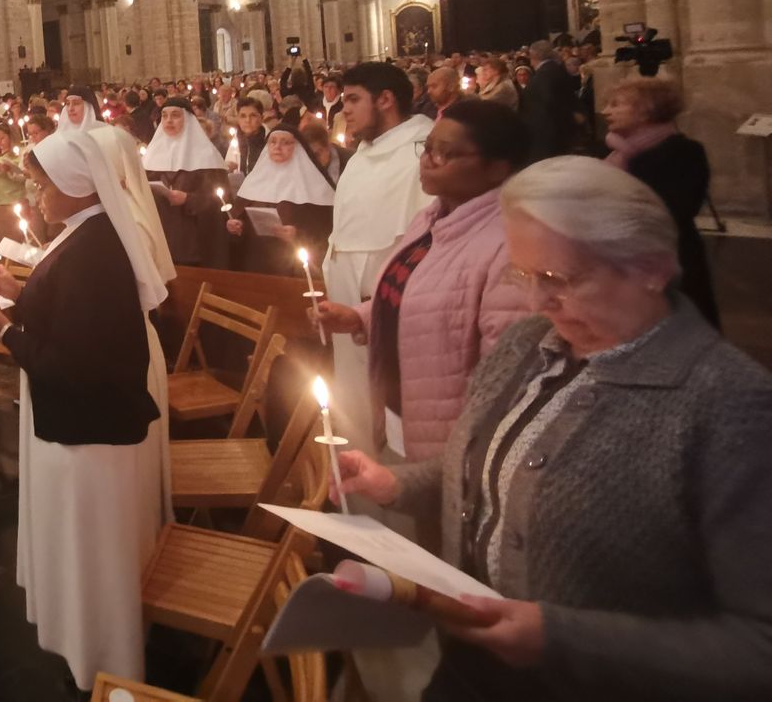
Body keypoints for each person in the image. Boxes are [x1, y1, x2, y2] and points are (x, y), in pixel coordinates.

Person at [333, 157, 772, 702]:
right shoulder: (526, 347)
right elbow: (495, 462)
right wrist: (397, 484)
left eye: (558, 279)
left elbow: (759, 645)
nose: (538, 301)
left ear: (652, 267)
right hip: (469, 674)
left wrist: (559, 637)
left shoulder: (727, 403)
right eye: (524, 275)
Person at [0, 131, 170, 689]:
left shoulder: (95, 251)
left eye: (41, 184)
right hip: (77, 412)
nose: (34, 195)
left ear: (77, 186)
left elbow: (77, 360)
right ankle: (81, 643)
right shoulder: (83, 233)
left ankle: (104, 659)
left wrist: (2, 327)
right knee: (81, 541)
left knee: (93, 546)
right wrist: (16, 290)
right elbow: (63, 308)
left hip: (91, 426)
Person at [317, 100, 532, 463]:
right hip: (409, 411)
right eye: (426, 148)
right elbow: (424, 292)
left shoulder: (508, 247)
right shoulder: (431, 218)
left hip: (454, 441)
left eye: (444, 153)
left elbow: (504, 375)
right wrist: (362, 317)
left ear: (497, 167)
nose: (427, 160)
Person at [324, 62, 434, 453]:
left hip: (390, 312)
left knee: (389, 432)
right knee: (354, 416)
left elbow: (428, 241)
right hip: (350, 311)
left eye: (353, 99)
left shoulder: (422, 151)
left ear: (385, 99)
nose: (344, 110)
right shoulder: (363, 153)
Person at [602, 76, 716, 327]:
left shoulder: (684, 152)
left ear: (646, 111)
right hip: (623, 262)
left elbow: (676, 210)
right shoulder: (618, 154)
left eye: (615, 104)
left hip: (670, 261)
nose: (605, 111)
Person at [228, 124, 336, 274]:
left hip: (293, 268)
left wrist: (298, 235)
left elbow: (325, 232)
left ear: (297, 147)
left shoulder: (314, 186)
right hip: (254, 263)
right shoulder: (254, 181)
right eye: (273, 142)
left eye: (285, 142)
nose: (278, 147)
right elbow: (238, 223)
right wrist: (236, 226)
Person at [142, 98, 228, 267]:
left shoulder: (207, 157)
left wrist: (188, 199)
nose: (169, 120)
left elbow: (221, 201)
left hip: (194, 242)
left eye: (175, 115)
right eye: (165, 116)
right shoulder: (151, 156)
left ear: (188, 119)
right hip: (160, 241)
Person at [521, 39, 578, 162]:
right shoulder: (555, 69)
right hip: (556, 131)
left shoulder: (545, 74)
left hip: (547, 134)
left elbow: (547, 103)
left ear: (533, 55)